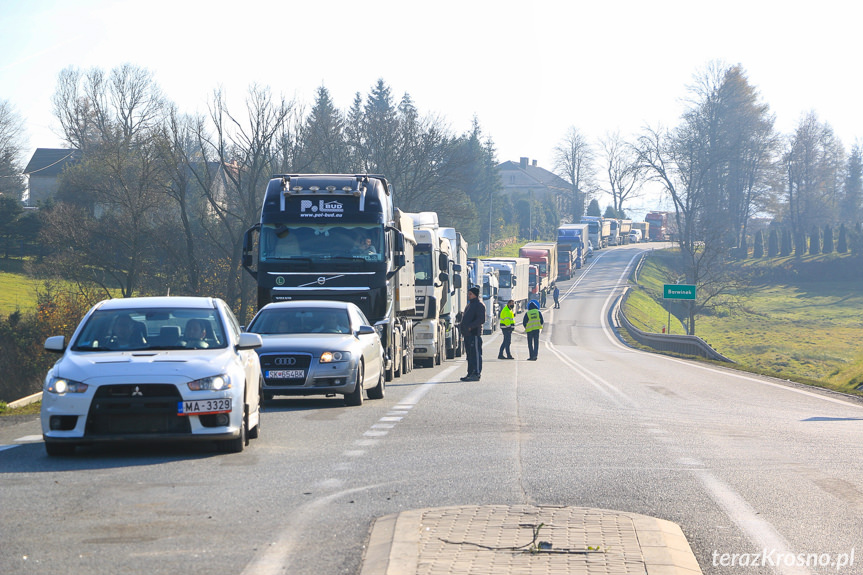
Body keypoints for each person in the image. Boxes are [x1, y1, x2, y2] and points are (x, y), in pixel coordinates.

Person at [459, 286, 486, 381]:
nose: (468, 295)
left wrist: (471, 326)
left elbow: (481, 319)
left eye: (470, 294)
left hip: (474, 334)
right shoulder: (470, 305)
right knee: (469, 355)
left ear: (475, 294)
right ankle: (470, 373)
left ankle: (477, 373)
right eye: (468, 293)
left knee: (476, 354)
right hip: (467, 334)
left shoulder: (479, 305)